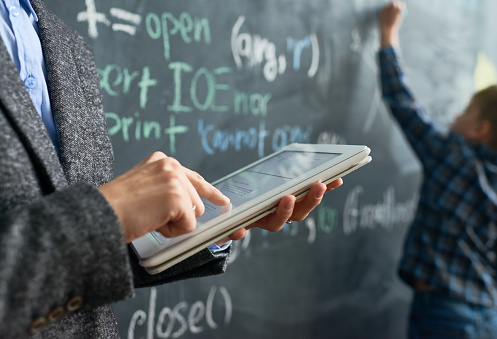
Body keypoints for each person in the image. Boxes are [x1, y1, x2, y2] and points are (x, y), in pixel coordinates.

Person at [0, 0, 342, 338]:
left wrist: (210, 226)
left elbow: (89, 255)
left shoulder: (67, 45)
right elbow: (91, 224)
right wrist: (108, 213)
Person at [378, 1, 497, 338]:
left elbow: (403, 103)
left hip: (445, 314)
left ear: (481, 129)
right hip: (486, 313)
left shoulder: (453, 156)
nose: (455, 116)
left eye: (466, 110)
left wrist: (388, 34)